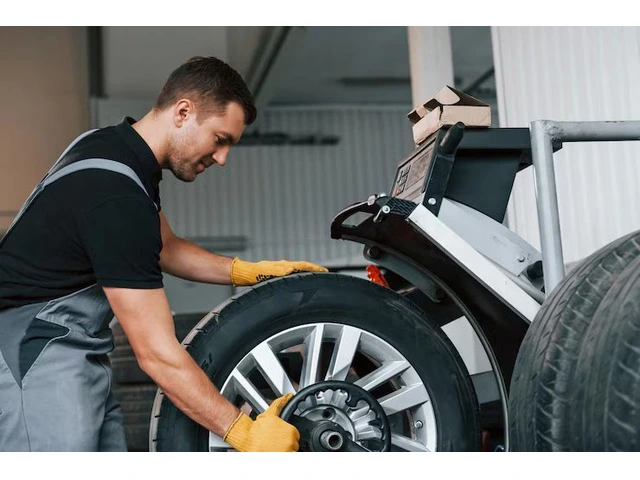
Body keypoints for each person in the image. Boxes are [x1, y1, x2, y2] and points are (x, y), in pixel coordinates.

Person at [0, 56, 327, 452]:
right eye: (220, 139)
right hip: (33, 353)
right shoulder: (115, 193)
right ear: (183, 112)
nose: (222, 158)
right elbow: (156, 353)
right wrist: (245, 433)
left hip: (76, 351)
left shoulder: (113, 151)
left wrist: (248, 271)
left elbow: (165, 247)